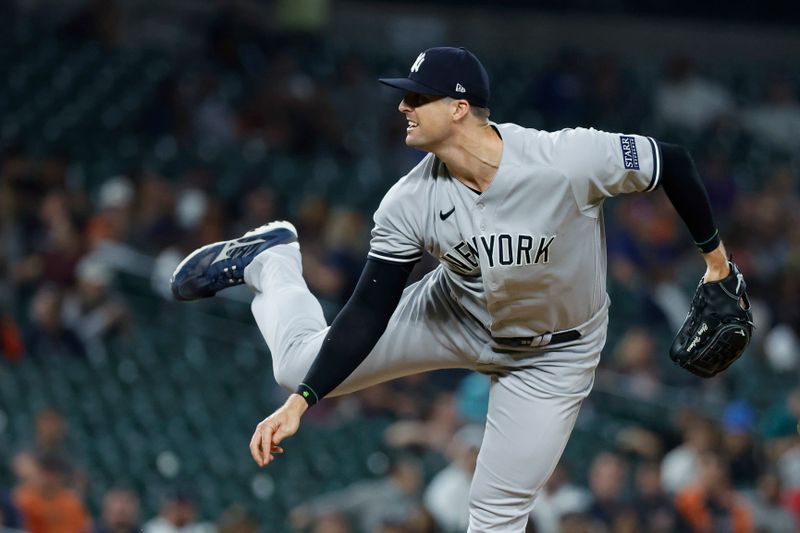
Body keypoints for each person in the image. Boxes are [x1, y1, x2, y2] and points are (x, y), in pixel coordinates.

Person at [171, 46, 738, 531]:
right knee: (296, 369)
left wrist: (717, 265)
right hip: (453, 314)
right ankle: (272, 259)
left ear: (459, 108)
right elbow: (368, 309)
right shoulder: (408, 202)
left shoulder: (565, 160)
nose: (403, 107)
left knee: (494, 517)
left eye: (417, 98)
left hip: (555, 356)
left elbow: (674, 163)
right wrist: (303, 402)